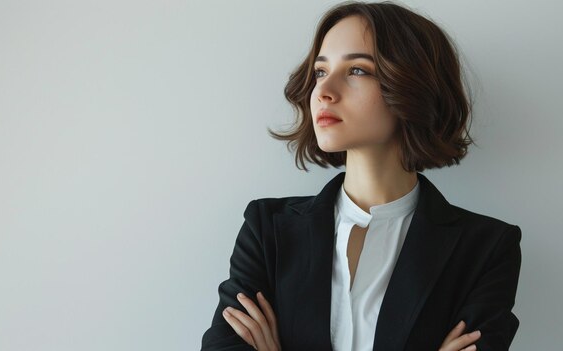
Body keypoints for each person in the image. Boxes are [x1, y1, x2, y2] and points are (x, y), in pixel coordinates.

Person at [201, 1, 521, 350]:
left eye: (357, 71)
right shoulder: (267, 228)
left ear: (413, 86)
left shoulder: (486, 248)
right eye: (321, 72)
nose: (323, 91)